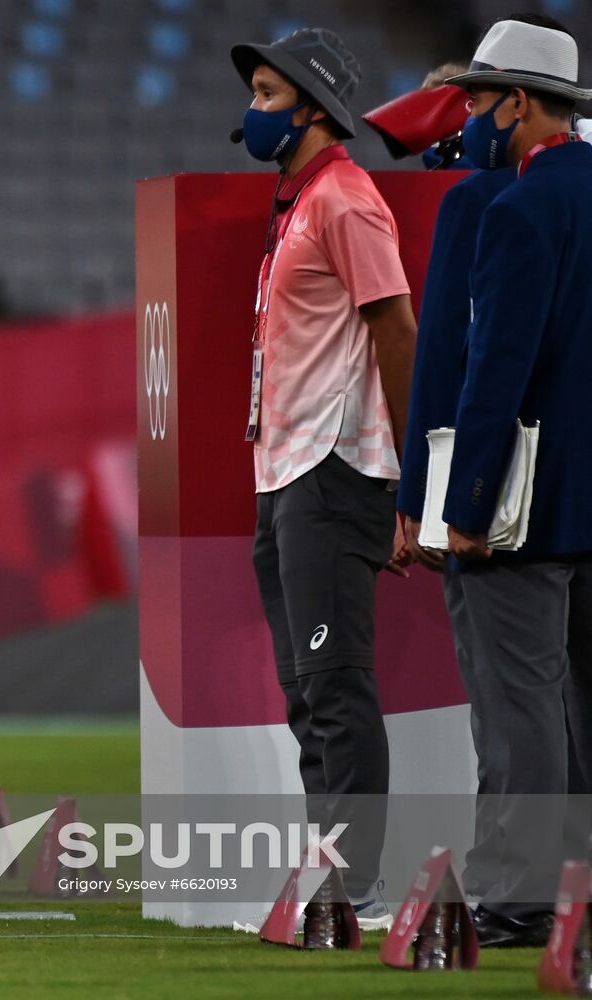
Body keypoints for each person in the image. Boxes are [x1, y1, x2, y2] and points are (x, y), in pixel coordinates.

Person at [229, 27, 416, 925]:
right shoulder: (298, 201)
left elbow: (397, 328)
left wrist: (414, 482)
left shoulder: (345, 199)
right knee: (308, 694)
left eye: (267, 93)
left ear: (311, 104)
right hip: (284, 470)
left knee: (337, 686)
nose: (253, 109)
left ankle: (363, 888)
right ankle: (333, 875)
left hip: (333, 469)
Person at [440, 14, 592, 949]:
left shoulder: (520, 209)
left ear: (521, 104)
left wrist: (464, 506)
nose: (469, 117)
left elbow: (498, 366)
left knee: (519, 706)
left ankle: (522, 896)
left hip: (532, 503)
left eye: (478, 99)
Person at [367, 68, 516, 909]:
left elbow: (452, 372)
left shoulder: (474, 205)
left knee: (507, 706)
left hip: (496, 502)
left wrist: (424, 501)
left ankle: (515, 891)